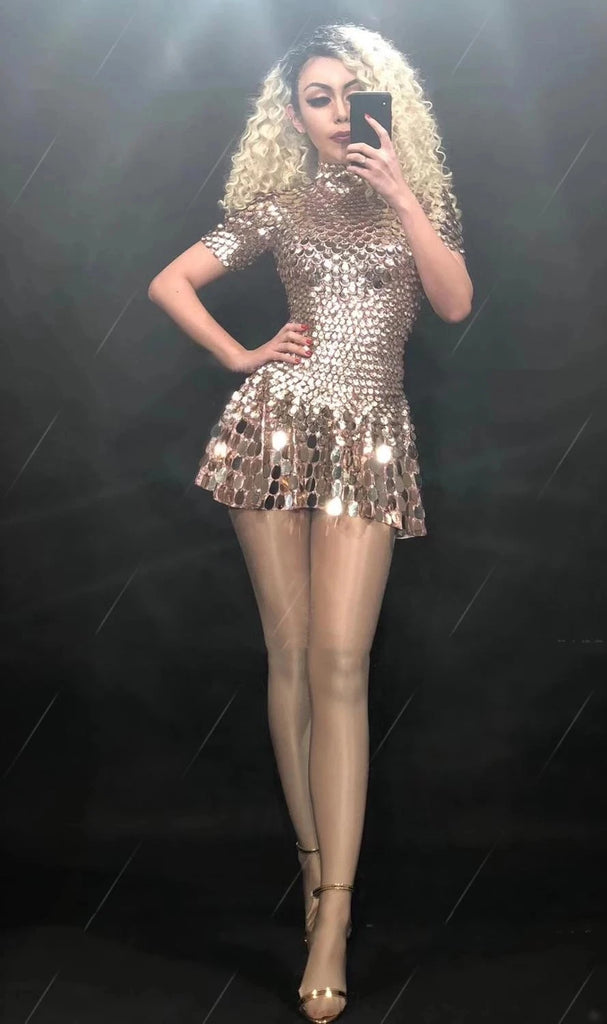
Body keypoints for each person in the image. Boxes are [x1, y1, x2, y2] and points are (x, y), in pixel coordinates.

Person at [148, 22, 473, 1022]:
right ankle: (312, 875)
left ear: (383, 103)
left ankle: (333, 913)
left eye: (350, 94)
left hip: (368, 438)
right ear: (291, 117)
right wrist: (240, 355)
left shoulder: (415, 205)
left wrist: (403, 198)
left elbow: (454, 304)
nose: (336, 113)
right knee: (290, 660)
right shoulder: (280, 207)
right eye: (317, 98)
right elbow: (170, 281)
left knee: (340, 664)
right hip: (276, 429)